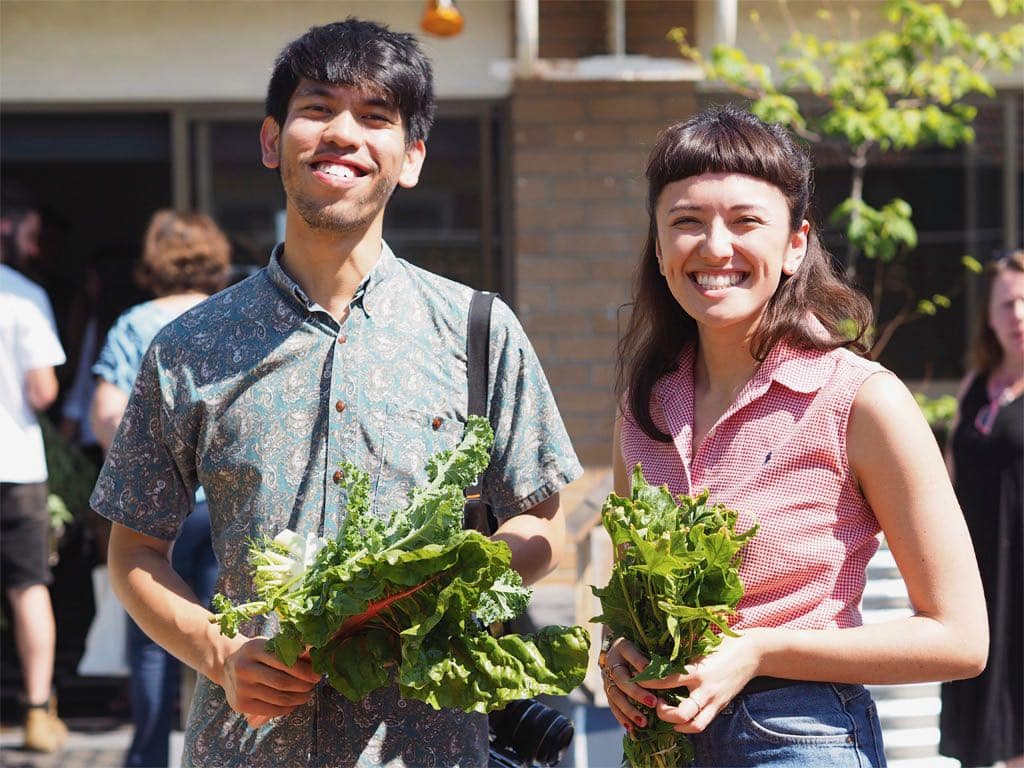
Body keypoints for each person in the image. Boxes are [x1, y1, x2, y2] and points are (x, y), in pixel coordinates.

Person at [91, 18, 582, 768]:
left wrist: (434, 588)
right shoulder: (190, 346)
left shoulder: (478, 328)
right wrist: (218, 652)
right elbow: (133, 551)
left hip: (429, 744)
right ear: (271, 140)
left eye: (375, 117)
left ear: (410, 157)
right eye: (316, 109)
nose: (342, 133)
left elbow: (544, 525)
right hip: (247, 746)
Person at [598, 105, 988, 767]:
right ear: (660, 248)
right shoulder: (645, 410)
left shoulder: (860, 400)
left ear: (795, 245)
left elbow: (960, 639)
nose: (715, 247)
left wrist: (758, 650)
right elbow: (632, 593)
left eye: (746, 221)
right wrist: (616, 655)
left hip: (800, 736)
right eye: (686, 222)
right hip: (663, 746)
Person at [90, 210, 229, 768]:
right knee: (224, 633)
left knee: (153, 638)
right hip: (222, 508)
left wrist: (139, 473)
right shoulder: (233, 320)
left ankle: (148, 756)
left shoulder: (133, 322)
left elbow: (105, 412)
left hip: (156, 516)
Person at [939, 250, 1023, 768]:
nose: (1017, 315)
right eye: (1006, 304)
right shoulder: (975, 386)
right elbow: (948, 476)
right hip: (978, 574)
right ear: (989, 317)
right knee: (981, 720)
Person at [0, 186, 69, 753]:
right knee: (27, 587)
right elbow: (43, 391)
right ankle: (37, 711)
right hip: (14, 463)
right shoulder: (22, 296)